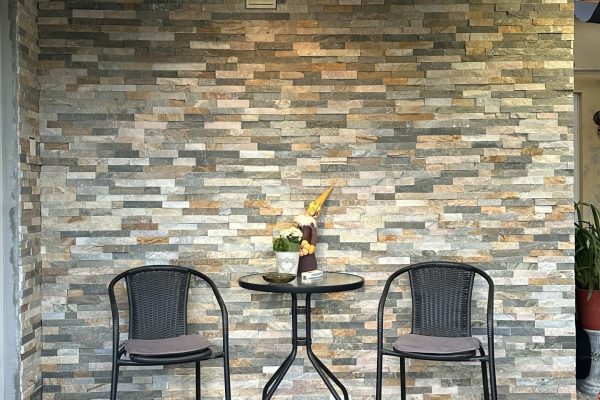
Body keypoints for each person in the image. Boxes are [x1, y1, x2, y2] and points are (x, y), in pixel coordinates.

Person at [295, 187, 333, 273]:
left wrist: (312, 245)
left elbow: (314, 236)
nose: (312, 211)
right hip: (301, 247)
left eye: (315, 211)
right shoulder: (300, 222)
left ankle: (309, 267)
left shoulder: (312, 224)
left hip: (308, 248)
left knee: (308, 259)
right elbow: (297, 232)